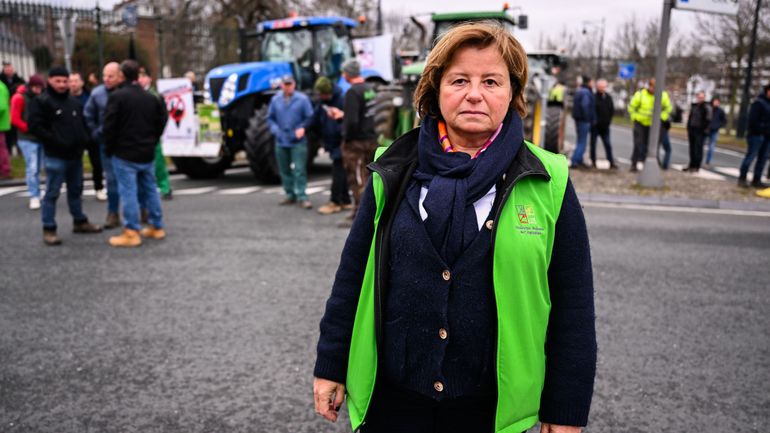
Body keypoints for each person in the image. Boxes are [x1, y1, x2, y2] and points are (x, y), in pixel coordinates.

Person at [313, 22, 596, 433]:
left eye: (492, 81)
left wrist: (565, 407)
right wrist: (330, 364)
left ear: (513, 94)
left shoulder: (547, 180)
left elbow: (573, 304)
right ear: (435, 90)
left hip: (489, 413)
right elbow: (353, 278)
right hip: (393, 405)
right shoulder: (392, 168)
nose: (475, 94)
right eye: (459, 79)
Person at [28, 66, 102, 245]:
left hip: (75, 155)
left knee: (76, 191)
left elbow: (82, 124)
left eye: (64, 81)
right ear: (50, 81)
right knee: (52, 193)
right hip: (55, 156)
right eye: (57, 81)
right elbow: (36, 127)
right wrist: (55, 140)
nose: (61, 85)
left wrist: (85, 140)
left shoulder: (73, 101)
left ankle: (79, 221)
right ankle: (49, 228)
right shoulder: (42, 101)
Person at [103, 60, 168, 247]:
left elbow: (109, 126)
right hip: (146, 150)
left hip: (124, 152)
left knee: (128, 192)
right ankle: (157, 225)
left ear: (122, 75)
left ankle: (131, 230)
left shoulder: (117, 97)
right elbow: (161, 120)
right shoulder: (150, 97)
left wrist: (109, 147)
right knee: (150, 189)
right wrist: (153, 139)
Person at [85, 62, 124, 229]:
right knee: (112, 179)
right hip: (106, 143)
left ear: (120, 76)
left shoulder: (126, 93)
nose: (106, 79)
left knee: (135, 178)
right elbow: (88, 115)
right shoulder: (97, 94)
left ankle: (142, 210)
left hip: (126, 143)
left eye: (111, 76)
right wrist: (96, 133)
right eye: (104, 76)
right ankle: (113, 212)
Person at [266, 74, 314, 209]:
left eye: (290, 84)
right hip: (281, 140)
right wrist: (275, 130)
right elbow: (270, 118)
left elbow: (310, 117)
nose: (287, 87)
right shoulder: (275, 100)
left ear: (294, 84)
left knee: (299, 169)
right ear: (281, 85)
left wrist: (303, 128)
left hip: (298, 141)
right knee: (284, 169)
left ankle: (302, 196)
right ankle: (290, 193)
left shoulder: (303, 99)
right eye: (285, 84)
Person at [340, 58, 378, 225]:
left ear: (347, 73)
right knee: (370, 177)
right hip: (372, 138)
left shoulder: (352, 92)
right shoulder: (370, 89)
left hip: (356, 142)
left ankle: (359, 217)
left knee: (357, 178)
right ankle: (370, 212)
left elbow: (352, 121)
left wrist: (345, 137)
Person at [310, 76, 351, 215]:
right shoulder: (322, 101)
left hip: (341, 141)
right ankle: (345, 200)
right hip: (332, 141)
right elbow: (314, 117)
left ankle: (335, 201)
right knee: (342, 171)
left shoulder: (342, 100)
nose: (322, 96)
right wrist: (303, 127)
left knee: (337, 172)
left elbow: (348, 120)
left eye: (323, 94)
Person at [11, 75, 46, 209]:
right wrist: (30, 128)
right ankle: (34, 195)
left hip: (39, 137)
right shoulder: (19, 98)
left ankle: (37, 191)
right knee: (32, 168)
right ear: (31, 86)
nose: (38, 91)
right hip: (27, 138)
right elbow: (14, 118)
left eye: (40, 88)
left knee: (41, 167)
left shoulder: (41, 96)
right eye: (36, 88)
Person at [70, 71, 105, 201]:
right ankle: (77, 191)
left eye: (75, 80)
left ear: (82, 82)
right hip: (75, 137)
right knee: (75, 165)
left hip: (91, 134)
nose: (73, 84)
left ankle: (99, 188)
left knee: (97, 163)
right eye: (71, 81)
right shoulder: (66, 99)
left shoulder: (90, 96)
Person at [138, 68, 172, 200]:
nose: (141, 79)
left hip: (152, 135)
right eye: (139, 77)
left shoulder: (155, 96)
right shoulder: (136, 94)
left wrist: (157, 132)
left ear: (149, 79)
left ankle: (165, 187)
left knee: (158, 163)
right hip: (140, 136)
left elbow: (163, 116)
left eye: (143, 76)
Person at [628, 78, 671, 172]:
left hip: (654, 125)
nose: (654, 89)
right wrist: (635, 118)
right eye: (653, 87)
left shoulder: (663, 95)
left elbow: (668, 109)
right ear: (649, 86)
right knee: (638, 144)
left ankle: (649, 163)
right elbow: (631, 108)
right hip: (640, 123)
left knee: (652, 145)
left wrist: (660, 118)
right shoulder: (640, 95)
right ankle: (634, 163)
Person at [738, 84, 770, 188]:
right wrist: (762, 129)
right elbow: (752, 121)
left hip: (767, 137)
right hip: (757, 135)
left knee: (763, 159)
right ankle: (742, 178)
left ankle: (757, 180)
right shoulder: (759, 103)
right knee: (750, 156)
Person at [590, 78, 617, 169]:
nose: (602, 88)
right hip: (596, 126)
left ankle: (611, 162)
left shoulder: (608, 97)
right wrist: (594, 122)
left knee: (608, 144)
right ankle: (593, 161)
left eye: (604, 87)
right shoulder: (594, 97)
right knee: (593, 144)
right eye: (600, 87)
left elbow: (611, 110)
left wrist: (608, 121)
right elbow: (592, 110)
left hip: (605, 126)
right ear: (597, 87)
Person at [570, 76, 594, 169]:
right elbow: (585, 105)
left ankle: (578, 160)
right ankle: (575, 160)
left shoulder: (579, 90)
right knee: (582, 141)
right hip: (584, 120)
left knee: (580, 140)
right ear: (589, 82)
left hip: (578, 119)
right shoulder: (586, 92)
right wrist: (588, 118)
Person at [2, 61, 25, 156]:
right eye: (6, 69)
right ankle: (9, 150)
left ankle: (20, 149)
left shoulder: (19, 80)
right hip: (7, 108)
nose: (8, 70)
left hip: (17, 107)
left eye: (10, 68)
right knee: (8, 131)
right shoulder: (1, 81)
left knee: (17, 129)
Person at [685, 91, 710, 173]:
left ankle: (696, 166)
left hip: (700, 131)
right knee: (692, 148)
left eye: (702, 97)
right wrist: (688, 127)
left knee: (698, 149)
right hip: (692, 129)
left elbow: (708, 120)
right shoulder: (694, 106)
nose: (700, 99)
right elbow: (690, 117)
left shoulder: (706, 107)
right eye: (699, 97)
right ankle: (691, 164)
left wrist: (704, 129)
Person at [704, 96, 726, 167]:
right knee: (701, 145)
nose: (716, 103)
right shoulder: (709, 109)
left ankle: (707, 161)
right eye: (715, 101)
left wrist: (718, 126)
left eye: (718, 102)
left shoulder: (720, 111)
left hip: (715, 131)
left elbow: (724, 121)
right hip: (707, 129)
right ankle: (698, 160)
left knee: (711, 147)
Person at [0, 80, 10, 179]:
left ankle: (5, 171)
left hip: (0, 124)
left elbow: (1, 107)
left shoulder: (0, 87)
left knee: (1, 149)